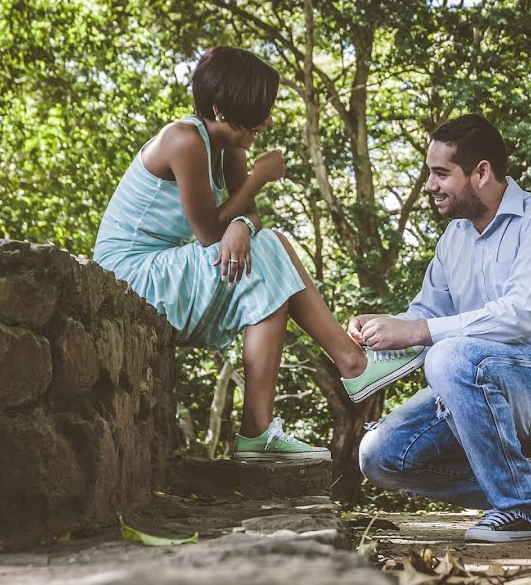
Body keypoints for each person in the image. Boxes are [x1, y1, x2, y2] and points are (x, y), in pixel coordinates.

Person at [93, 46, 424, 462]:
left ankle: (263, 429)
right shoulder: (183, 139)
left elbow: (249, 218)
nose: (267, 122)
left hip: (172, 268)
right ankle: (349, 365)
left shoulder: (229, 144)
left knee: (270, 264)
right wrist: (258, 179)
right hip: (134, 275)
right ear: (220, 108)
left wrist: (242, 223)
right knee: (272, 251)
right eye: (259, 111)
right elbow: (210, 229)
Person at [349, 114, 531, 542]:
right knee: (378, 455)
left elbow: (518, 316)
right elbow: (423, 318)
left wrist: (418, 332)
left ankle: (517, 510)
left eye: (440, 174)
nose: (430, 186)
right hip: (480, 385)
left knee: (449, 354)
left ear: (482, 172)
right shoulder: (453, 238)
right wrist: (377, 332)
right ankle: (520, 482)